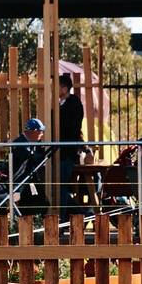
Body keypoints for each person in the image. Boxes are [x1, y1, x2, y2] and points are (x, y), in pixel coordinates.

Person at [56, 74, 86, 216]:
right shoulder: (60, 103)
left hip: (66, 151)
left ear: (64, 88)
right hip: (59, 150)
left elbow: (70, 127)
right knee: (59, 186)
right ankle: (79, 213)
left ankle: (66, 216)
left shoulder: (73, 103)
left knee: (61, 185)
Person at [7, 117, 50, 213]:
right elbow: (30, 159)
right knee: (37, 202)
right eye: (40, 131)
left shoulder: (32, 143)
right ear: (33, 131)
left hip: (27, 180)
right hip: (20, 180)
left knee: (42, 202)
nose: (42, 134)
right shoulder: (20, 145)